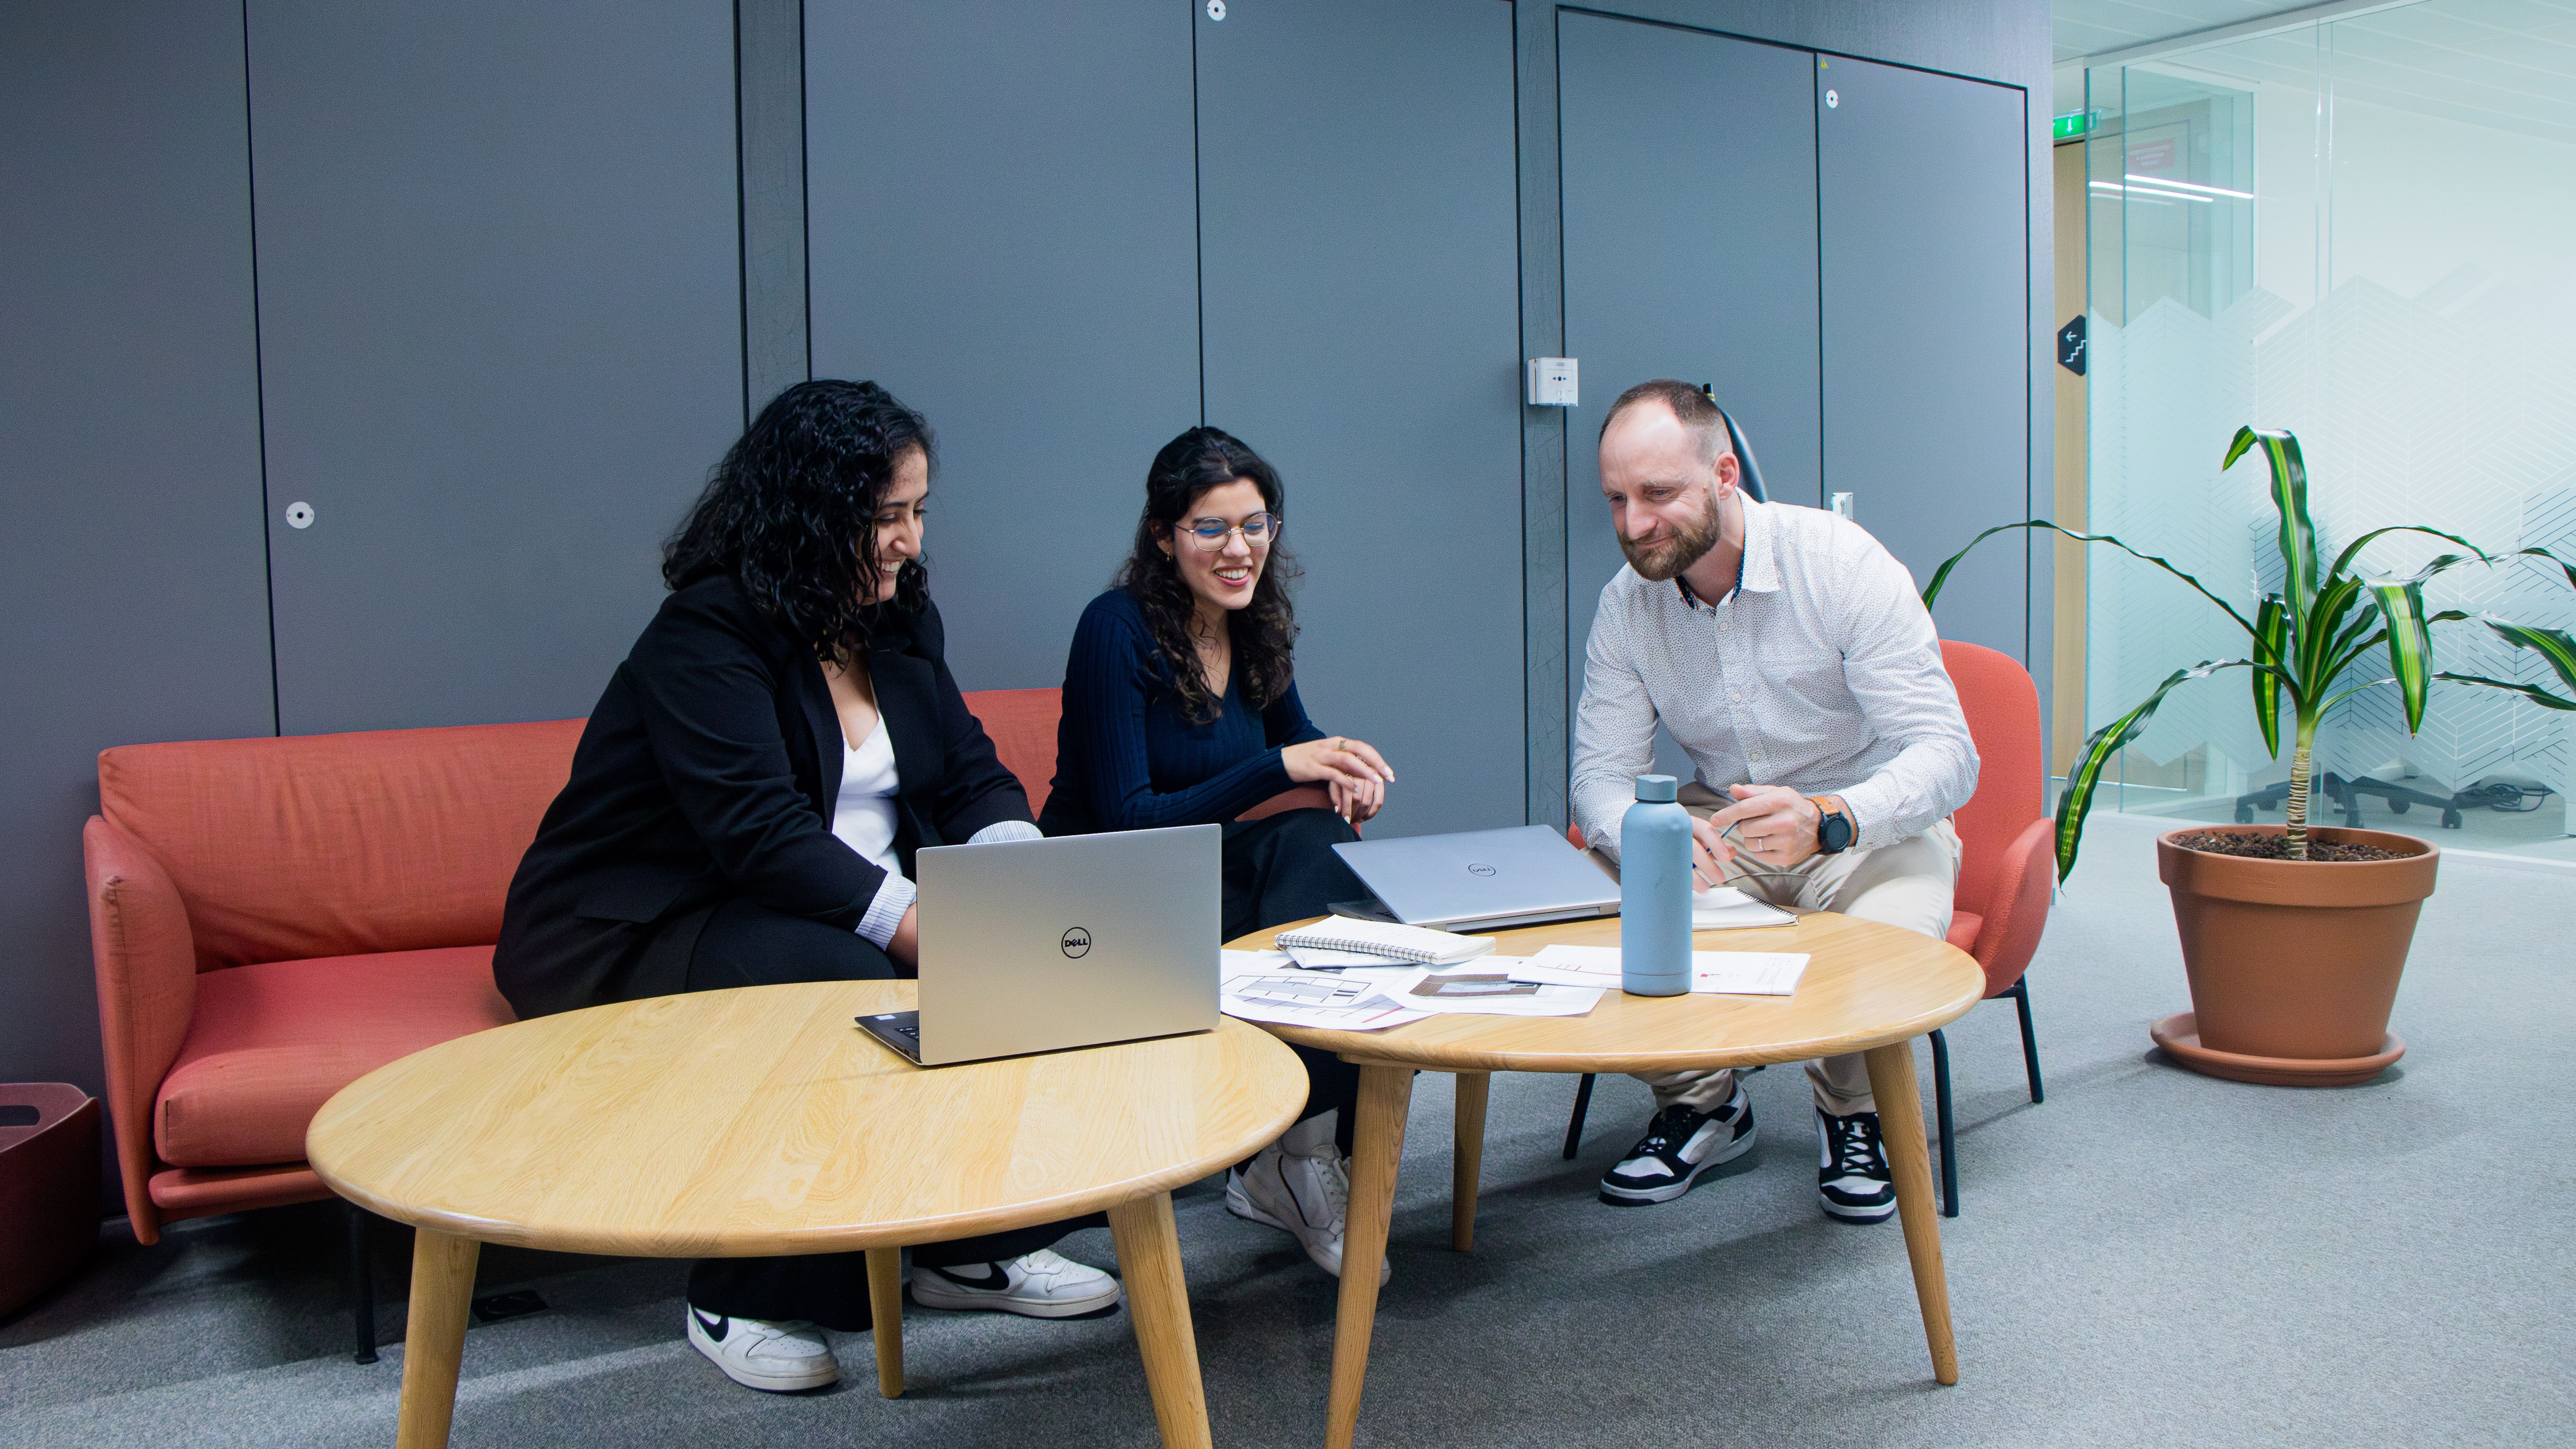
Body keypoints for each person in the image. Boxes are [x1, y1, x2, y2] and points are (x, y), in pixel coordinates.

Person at [494, 380, 1120, 1395]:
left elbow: (968, 768)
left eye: (917, 512)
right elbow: (760, 833)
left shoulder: (896, 619)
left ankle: (972, 1248)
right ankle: (737, 1285)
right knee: (844, 982)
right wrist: (926, 926)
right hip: (646, 917)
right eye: (884, 517)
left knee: (1026, 970)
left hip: (813, 897)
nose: (908, 541)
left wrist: (1019, 883)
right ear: (808, 511)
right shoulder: (707, 633)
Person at [1572, 379, 1978, 1223]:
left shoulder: (1841, 565)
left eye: (1657, 494)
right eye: (1616, 498)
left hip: (1867, 817)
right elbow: (1599, 779)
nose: (1634, 523)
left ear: (1724, 474)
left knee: (1888, 940)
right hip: (1727, 822)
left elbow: (1949, 753)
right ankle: (1704, 1101)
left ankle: (1854, 1114)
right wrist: (1649, 831)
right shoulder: (1627, 605)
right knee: (1618, 903)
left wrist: (1832, 816)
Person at [1040, 425, 1397, 1280]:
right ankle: (1290, 1164)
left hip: (1204, 876)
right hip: (1108, 895)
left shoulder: (1253, 620)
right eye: (1212, 527)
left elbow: (1295, 735)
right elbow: (1130, 817)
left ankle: (1298, 1151)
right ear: (1164, 536)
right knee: (1308, 856)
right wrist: (1277, 766)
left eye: (1257, 524)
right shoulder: (1115, 628)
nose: (1240, 549)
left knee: (1328, 850)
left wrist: (1343, 761)